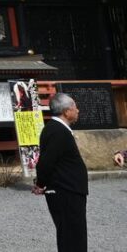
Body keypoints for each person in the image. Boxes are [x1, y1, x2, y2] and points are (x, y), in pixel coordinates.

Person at [34, 92, 88, 252]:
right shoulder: (57, 131)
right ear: (66, 111)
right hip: (65, 190)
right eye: (75, 107)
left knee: (74, 233)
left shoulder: (58, 129)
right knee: (71, 235)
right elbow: (46, 162)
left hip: (69, 189)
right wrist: (40, 183)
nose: (77, 110)